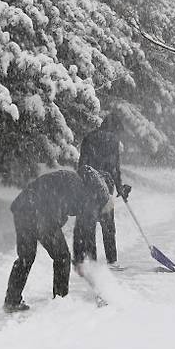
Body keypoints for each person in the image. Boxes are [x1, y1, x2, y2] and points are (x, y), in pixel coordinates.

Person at [3, 166, 111, 313]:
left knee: (26, 257)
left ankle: (12, 301)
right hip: (40, 214)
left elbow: (82, 230)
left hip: (22, 209)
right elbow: (83, 232)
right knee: (62, 257)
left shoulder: (75, 181)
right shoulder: (84, 195)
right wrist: (81, 261)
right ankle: (61, 302)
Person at [77, 111, 131, 268]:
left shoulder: (89, 137)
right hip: (105, 186)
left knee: (90, 225)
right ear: (114, 128)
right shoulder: (112, 140)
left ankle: (91, 261)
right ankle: (112, 260)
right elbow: (114, 167)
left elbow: (82, 164)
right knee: (108, 225)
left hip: (89, 185)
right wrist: (119, 186)